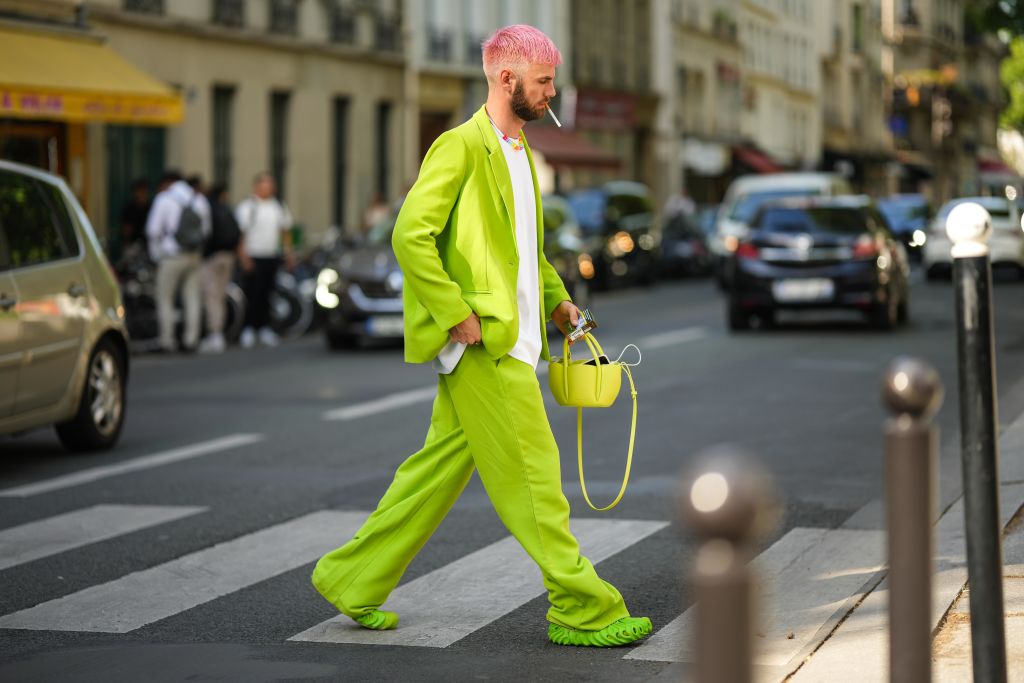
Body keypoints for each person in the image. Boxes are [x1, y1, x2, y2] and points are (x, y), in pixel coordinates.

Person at [311, 25, 652, 648]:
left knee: (432, 476)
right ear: (506, 78)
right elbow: (409, 235)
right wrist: (453, 312)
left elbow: (526, 254)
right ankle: (582, 608)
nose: (553, 92)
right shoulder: (459, 146)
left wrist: (558, 303)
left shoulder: (522, 154)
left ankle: (351, 579)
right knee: (536, 482)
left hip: (512, 340)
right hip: (484, 346)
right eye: (544, 81)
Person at [145, 171, 211, 353]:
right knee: (192, 298)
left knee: (165, 298)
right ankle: (191, 340)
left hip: (172, 256)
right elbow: (206, 230)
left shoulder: (164, 199)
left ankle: (167, 340)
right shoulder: (199, 200)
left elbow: (153, 230)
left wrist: (156, 254)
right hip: (194, 255)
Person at [235, 172, 294, 349]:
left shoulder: (277, 206)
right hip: (254, 256)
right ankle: (248, 328)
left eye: (270, 184)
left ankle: (264, 327)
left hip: (271, 255)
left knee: (268, 293)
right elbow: (241, 235)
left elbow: (285, 231)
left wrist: (289, 253)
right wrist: (244, 257)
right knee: (251, 294)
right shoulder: (248, 207)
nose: (268, 187)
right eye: (265, 184)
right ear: (256, 186)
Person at [198, 183, 241, 354]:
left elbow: (204, 233)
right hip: (228, 256)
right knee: (220, 295)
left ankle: (214, 333)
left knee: (211, 296)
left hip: (212, 257)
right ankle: (219, 333)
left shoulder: (207, 208)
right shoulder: (227, 210)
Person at [119, 178, 151, 258]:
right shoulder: (129, 208)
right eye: (139, 191)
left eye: (143, 191)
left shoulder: (151, 207)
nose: (141, 194)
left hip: (148, 245)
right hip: (133, 244)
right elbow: (126, 228)